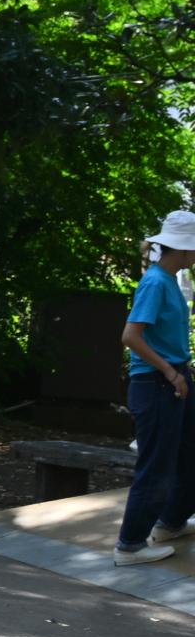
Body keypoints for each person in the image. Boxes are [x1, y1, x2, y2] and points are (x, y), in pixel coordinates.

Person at [113, 210, 195, 566]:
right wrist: (170, 373)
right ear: (185, 250)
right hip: (158, 383)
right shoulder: (156, 282)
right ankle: (130, 545)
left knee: (190, 455)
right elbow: (131, 336)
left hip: (176, 377)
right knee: (157, 466)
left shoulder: (170, 280)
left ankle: (171, 522)